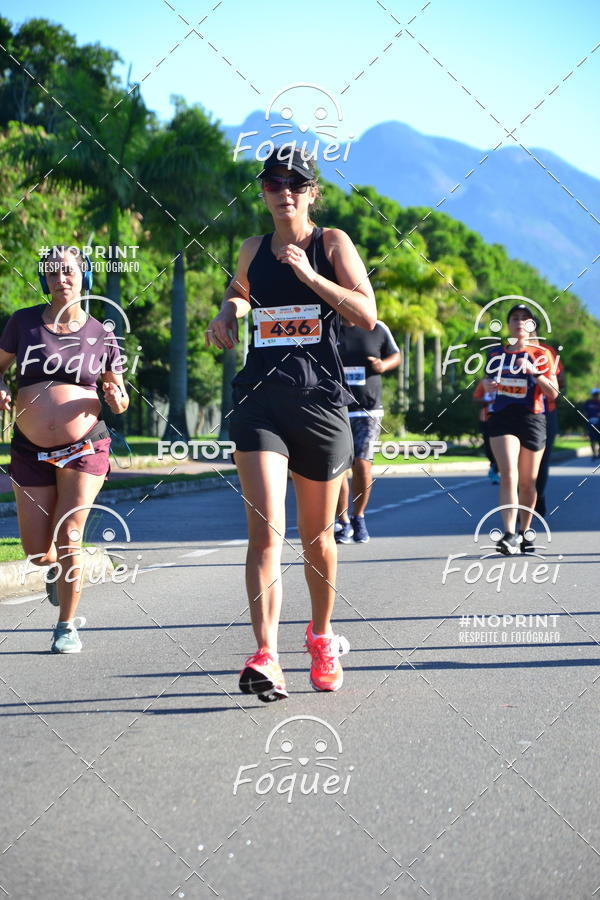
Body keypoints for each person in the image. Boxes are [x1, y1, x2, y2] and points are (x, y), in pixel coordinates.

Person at [205, 147, 376, 701]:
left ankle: (321, 637)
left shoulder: (331, 244)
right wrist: (228, 311)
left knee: (318, 538)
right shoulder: (253, 248)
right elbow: (240, 293)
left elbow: (366, 313)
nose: (284, 191)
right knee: (265, 534)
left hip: (322, 405)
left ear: (311, 192)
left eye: (295, 183)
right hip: (260, 403)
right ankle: (266, 655)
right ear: (262, 191)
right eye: (273, 182)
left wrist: (309, 276)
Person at [0, 246, 128, 653]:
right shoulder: (22, 324)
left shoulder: (102, 334)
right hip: (29, 449)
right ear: (45, 280)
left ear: (83, 277)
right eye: (52, 272)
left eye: (68, 271)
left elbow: (121, 396)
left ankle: (66, 626)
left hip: (85, 445)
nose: (61, 278)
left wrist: (114, 393)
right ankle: (54, 570)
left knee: (70, 533)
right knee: (39, 552)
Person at [484, 303, 558, 555]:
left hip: (532, 419)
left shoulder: (541, 354)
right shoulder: (496, 354)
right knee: (508, 473)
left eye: (525, 319)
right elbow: (486, 381)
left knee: (528, 482)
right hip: (502, 417)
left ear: (532, 326)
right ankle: (508, 533)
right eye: (514, 318)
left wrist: (536, 374)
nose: (519, 323)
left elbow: (554, 392)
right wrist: (489, 384)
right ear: (508, 325)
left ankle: (525, 531)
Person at [334, 317, 400, 543]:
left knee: (362, 465)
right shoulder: (328, 325)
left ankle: (358, 516)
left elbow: (395, 355)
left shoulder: (377, 327)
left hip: (367, 410)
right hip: (335, 409)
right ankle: (342, 523)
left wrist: (383, 365)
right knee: (338, 470)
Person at [532, 337, 564, 515]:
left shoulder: (546, 351)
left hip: (546, 412)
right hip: (517, 414)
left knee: (542, 459)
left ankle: (539, 496)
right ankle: (524, 502)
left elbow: (559, 380)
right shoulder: (508, 352)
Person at [472, 378, 499, 485]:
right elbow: (475, 398)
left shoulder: (508, 378)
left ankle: (497, 469)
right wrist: (487, 400)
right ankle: (494, 467)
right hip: (486, 419)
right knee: (489, 446)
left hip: (504, 419)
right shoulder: (484, 382)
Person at [582, 388, 600, 458]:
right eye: (594, 395)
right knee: (592, 439)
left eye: (597, 394)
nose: (596, 396)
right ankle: (594, 454)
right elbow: (584, 412)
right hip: (591, 423)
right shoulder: (588, 403)